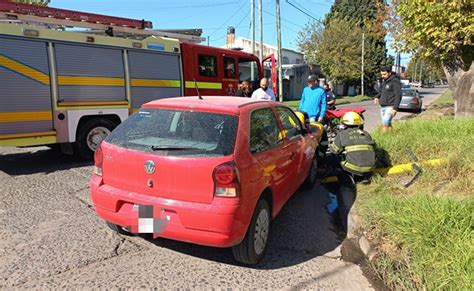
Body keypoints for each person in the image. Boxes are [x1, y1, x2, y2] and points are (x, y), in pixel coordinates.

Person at [329, 111, 376, 180]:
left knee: (334, 158)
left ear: (344, 124)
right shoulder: (366, 133)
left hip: (353, 169)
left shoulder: (342, 134)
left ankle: (346, 180)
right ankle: (364, 177)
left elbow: (333, 151)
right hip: (371, 168)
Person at [374, 67, 401, 132]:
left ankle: (383, 137)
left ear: (389, 73)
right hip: (382, 106)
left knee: (385, 122)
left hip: (390, 106)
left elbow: (398, 95)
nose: (383, 76)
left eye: (384, 74)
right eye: (382, 74)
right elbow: (381, 92)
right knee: (388, 123)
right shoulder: (384, 82)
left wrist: (395, 108)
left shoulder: (395, 82)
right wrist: (377, 97)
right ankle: (391, 135)